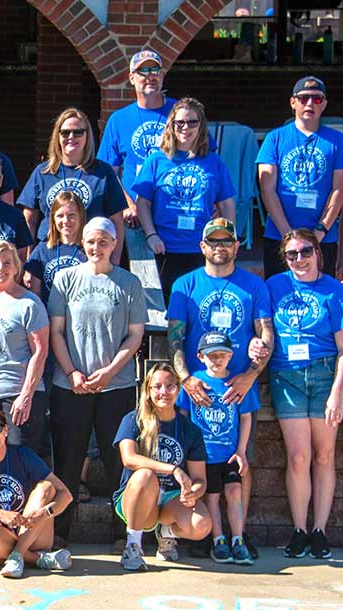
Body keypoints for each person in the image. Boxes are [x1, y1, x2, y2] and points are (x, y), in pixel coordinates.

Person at [167, 217, 274, 562]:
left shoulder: (254, 286)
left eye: (226, 241)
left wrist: (251, 374)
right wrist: (185, 378)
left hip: (237, 389)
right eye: (213, 242)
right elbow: (175, 338)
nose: (219, 247)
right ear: (202, 247)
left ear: (236, 246)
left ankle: (237, 534)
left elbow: (266, 334)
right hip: (197, 390)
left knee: (240, 464)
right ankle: (209, 535)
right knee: (199, 464)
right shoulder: (185, 285)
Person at [48, 217, 148, 548]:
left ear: (114, 244)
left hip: (116, 385)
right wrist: (72, 371)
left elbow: (135, 336)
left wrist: (109, 371)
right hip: (71, 385)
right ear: (83, 243)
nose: (96, 247)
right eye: (90, 241)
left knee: (117, 459)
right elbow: (56, 331)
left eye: (103, 241)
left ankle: (123, 533)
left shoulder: (128, 283)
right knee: (68, 460)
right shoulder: (65, 279)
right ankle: (60, 532)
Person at [267, 228, 343, 559]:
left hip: (323, 374)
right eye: (292, 254)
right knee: (298, 456)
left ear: (318, 252)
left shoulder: (334, 292)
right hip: (287, 376)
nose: (300, 259)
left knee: (323, 455)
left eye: (306, 251)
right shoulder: (275, 286)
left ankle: (319, 530)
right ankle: (299, 530)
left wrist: (337, 393)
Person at [0, 405, 73, 579]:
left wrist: (44, 513)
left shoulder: (23, 455)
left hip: (28, 531)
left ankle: (18, 555)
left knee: (46, 487)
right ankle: (37, 559)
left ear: (5, 430)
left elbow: (66, 494)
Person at [113, 367, 212, 571]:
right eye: (157, 387)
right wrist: (173, 469)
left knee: (202, 525)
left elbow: (200, 479)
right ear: (148, 391)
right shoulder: (133, 419)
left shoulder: (190, 429)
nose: (164, 392)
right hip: (138, 497)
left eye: (170, 386)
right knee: (145, 475)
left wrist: (194, 492)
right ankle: (132, 545)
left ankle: (166, 534)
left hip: (170, 500)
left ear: (178, 390)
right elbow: (129, 459)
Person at [256, 76, 343, 278]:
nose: (310, 103)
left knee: (319, 297)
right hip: (279, 235)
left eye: (317, 99)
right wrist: (288, 235)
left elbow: (340, 190)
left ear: (324, 104)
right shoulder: (274, 138)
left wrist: (319, 232)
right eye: (303, 98)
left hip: (322, 239)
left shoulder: (338, 141)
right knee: (278, 295)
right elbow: (267, 189)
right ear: (293, 103)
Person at [134, 97, 237, 288]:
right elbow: (143, 203)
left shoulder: (214, 162)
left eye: (192, 122)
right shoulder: (156, 160)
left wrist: (228, 240)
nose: (185, 127)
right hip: (164, 247)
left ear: (201, 126)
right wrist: (151, 235)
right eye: (179, 122)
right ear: (171, 125)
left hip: (203, 247)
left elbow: (226, 204)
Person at [175, 333, 259, 566]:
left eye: (222, 355)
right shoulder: (193, 384)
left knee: (234, 493)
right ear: (200, 357)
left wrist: (241, 451)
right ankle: (219, 540)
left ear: (231, 356)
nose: (217, 359)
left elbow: (246, 417)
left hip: (229, 452)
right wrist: (185, 449)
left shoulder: (238, 383)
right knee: (212, 497)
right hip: (205, 455)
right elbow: (182, 416)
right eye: (212, 355)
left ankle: (238, 540)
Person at [0, 240, 50, 456]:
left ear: (16, 267)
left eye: (7, 263)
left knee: (19, 458)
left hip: (17, 395)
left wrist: (26, 395)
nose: (0, 268)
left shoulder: (29, 303)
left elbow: (40, 352)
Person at [19, 108, 128, 257]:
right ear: (57, 136)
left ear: (87, 136)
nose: (71, 137)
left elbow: (116, 223)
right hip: (47, 256)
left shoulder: (103, 172)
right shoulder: (42, 172)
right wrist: (27, 262)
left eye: (78, 132)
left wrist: (114, 264)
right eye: (65, 132)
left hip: (89, 258)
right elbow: (29, 222)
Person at [99, 50, 176, 227]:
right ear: (132, 78)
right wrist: (127, 204)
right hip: (133, 216)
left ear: (163, 75)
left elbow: (203, 156)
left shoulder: (181, 113)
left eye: (155, 70)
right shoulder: (118, 119)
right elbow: (109, 171)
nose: (150, 76)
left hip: (174, 208)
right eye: (143, 71)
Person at [23, 191, 87, 298]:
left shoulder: (89, 250)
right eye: (60, 216)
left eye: (71, 215)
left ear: (81, 216)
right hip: (48, 313)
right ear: (53, 219)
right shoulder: (42, 251)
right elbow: (35, 297)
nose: (66, 221)